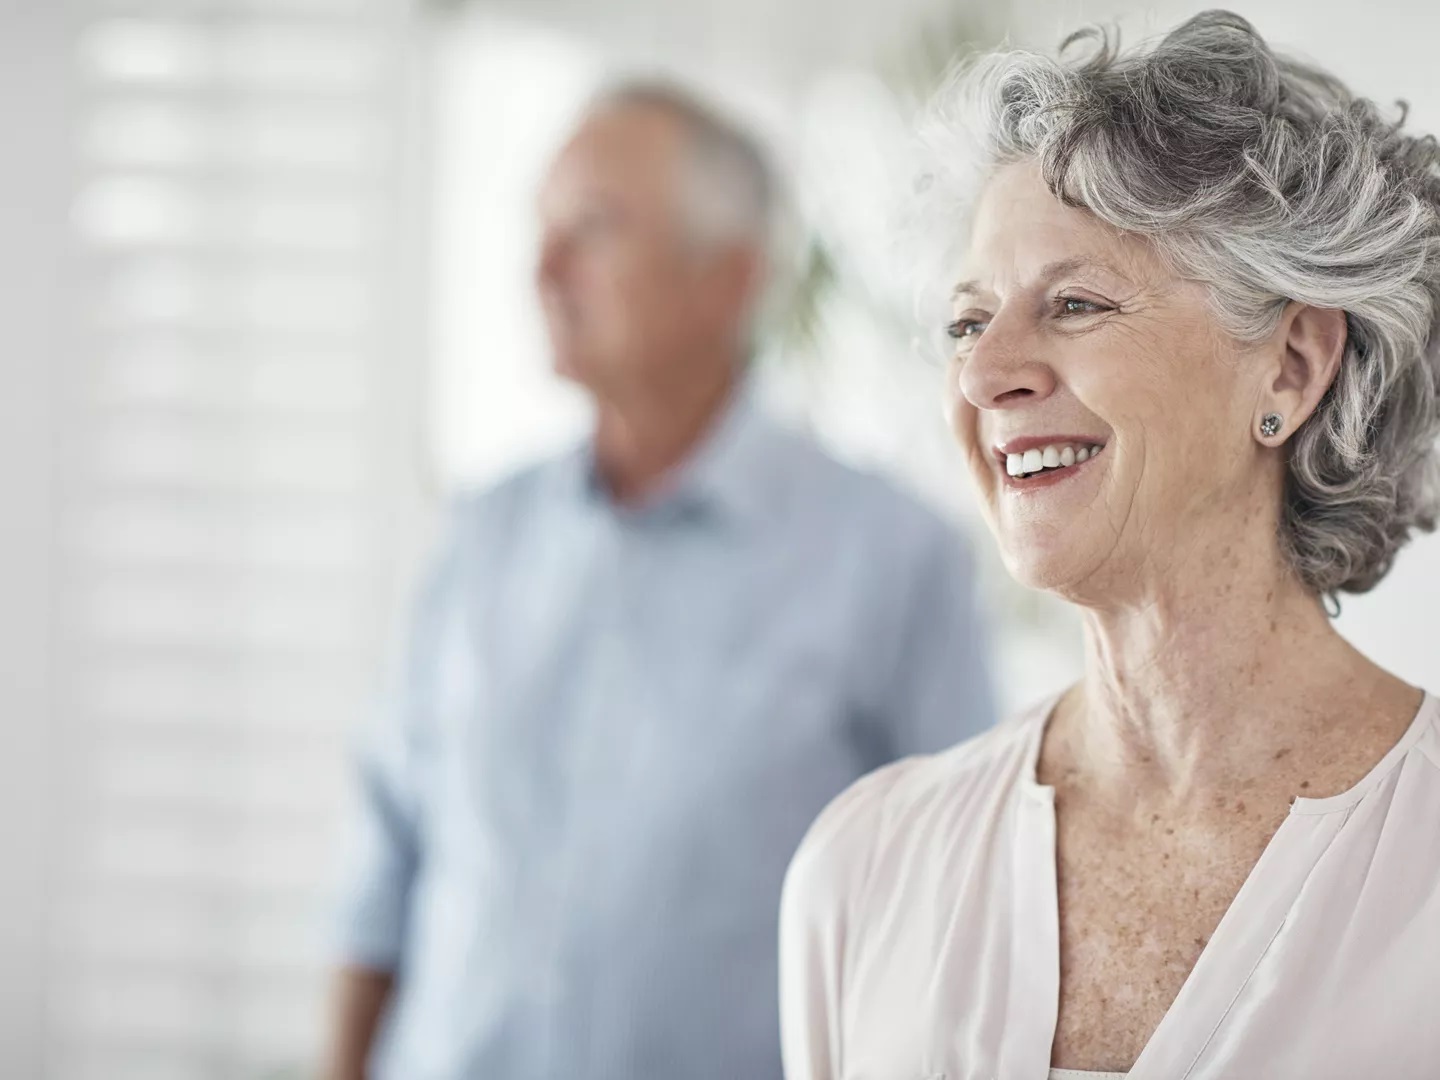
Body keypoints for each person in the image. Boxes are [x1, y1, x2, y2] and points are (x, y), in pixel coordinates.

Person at [780, 11, 1440, 1080]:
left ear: (1290, 367)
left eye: (1074, 303)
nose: (988, 374)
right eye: (965, 322)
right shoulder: (866, 869)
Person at [324, 81, 996, 1080]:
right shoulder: (478, 537)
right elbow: (383, 867)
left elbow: (958, 913)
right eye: (542, 229)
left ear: (728, 279)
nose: (543, 268)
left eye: (592, 229)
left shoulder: (894, 556)